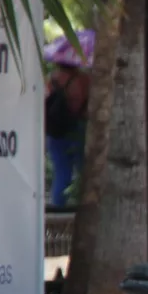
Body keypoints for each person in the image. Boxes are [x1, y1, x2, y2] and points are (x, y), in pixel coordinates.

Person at [44, 62, 90, 209]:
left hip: (55, 131)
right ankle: (85, 204)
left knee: (61, 171)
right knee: (85, 170)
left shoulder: (52, 79)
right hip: (77, 128)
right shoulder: (84, 79)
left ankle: (59, 207)